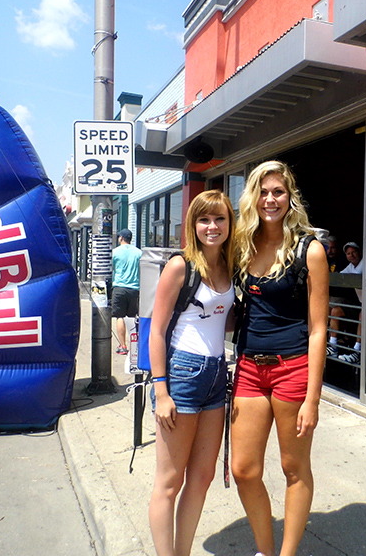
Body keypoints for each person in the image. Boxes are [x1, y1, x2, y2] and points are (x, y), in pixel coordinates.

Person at [231, 160, 329, 556]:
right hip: (249, 370)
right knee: (244, 469)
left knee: (293, 468)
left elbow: (319, 328)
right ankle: (265, 550)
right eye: (264, 191)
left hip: (293, 370)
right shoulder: (242, 245)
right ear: (253, 197)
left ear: (290, 198)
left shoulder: (311, 250)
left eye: (278, 192)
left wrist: (313, 398)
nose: (270, 199)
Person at [147, 190, 236, 556]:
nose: (212, 227)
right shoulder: (180, 265)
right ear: (193, 224)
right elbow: (156, 328)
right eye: (204, 219)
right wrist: (161, 390)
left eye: (220, 219)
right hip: (182, 374)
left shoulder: (230, 266)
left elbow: (225, 320)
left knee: (202, 477)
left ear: (231, 223)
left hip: (217, 374)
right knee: (169, 481)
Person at [111, 228, 142, 355]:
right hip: (134, 288)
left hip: (119, 287)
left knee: (120, 317)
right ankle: (134, 346)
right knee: (132, 318)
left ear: (121, 238)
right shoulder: (139, 253)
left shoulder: (114, 252)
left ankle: (123, 345)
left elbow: (110, 268)